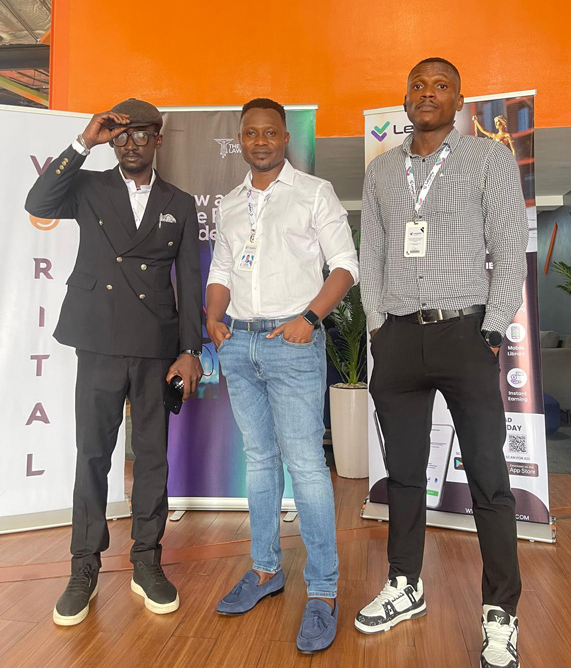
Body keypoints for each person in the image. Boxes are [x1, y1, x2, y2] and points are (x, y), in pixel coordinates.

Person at [357, 59, 527, 668]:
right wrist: (378, 326)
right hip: (399, 337)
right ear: (405, 99)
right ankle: (406, 584)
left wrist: (491, 330)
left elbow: (510, 248)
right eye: (417, 86)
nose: (427, 93)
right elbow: (372, 251)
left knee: (488, 477)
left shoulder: (489, 159)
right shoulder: (382, 170)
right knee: (403, 473)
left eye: (441, 86)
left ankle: (500, 613)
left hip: (464, 332)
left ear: (458, 101)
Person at [25, 99, 204, 626]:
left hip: (155, 344)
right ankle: (83, 566)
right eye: (120, 134)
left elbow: (189, 279)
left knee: (151, 458)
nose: (130, 143)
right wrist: (85, 140)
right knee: (93, 456)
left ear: (158, 140)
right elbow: (39, 199)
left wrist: (190, 350)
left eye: (141, 134)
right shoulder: (89, 186)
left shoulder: (179, 202)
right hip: (98, 339)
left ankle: (146, 560)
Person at [206, 98, 358, 654]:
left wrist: (309, 319)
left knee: (307, 467)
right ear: (241, 138)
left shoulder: (314, 192)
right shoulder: (230, 202)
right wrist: (212, 318)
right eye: (251, 133)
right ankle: (265, 569)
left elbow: (346, 265)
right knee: (261, 461)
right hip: (238, 343)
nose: (261, 141)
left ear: (285, 137)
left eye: (270, 132)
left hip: (292, 343)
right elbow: (222, 267)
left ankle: (323, 590)